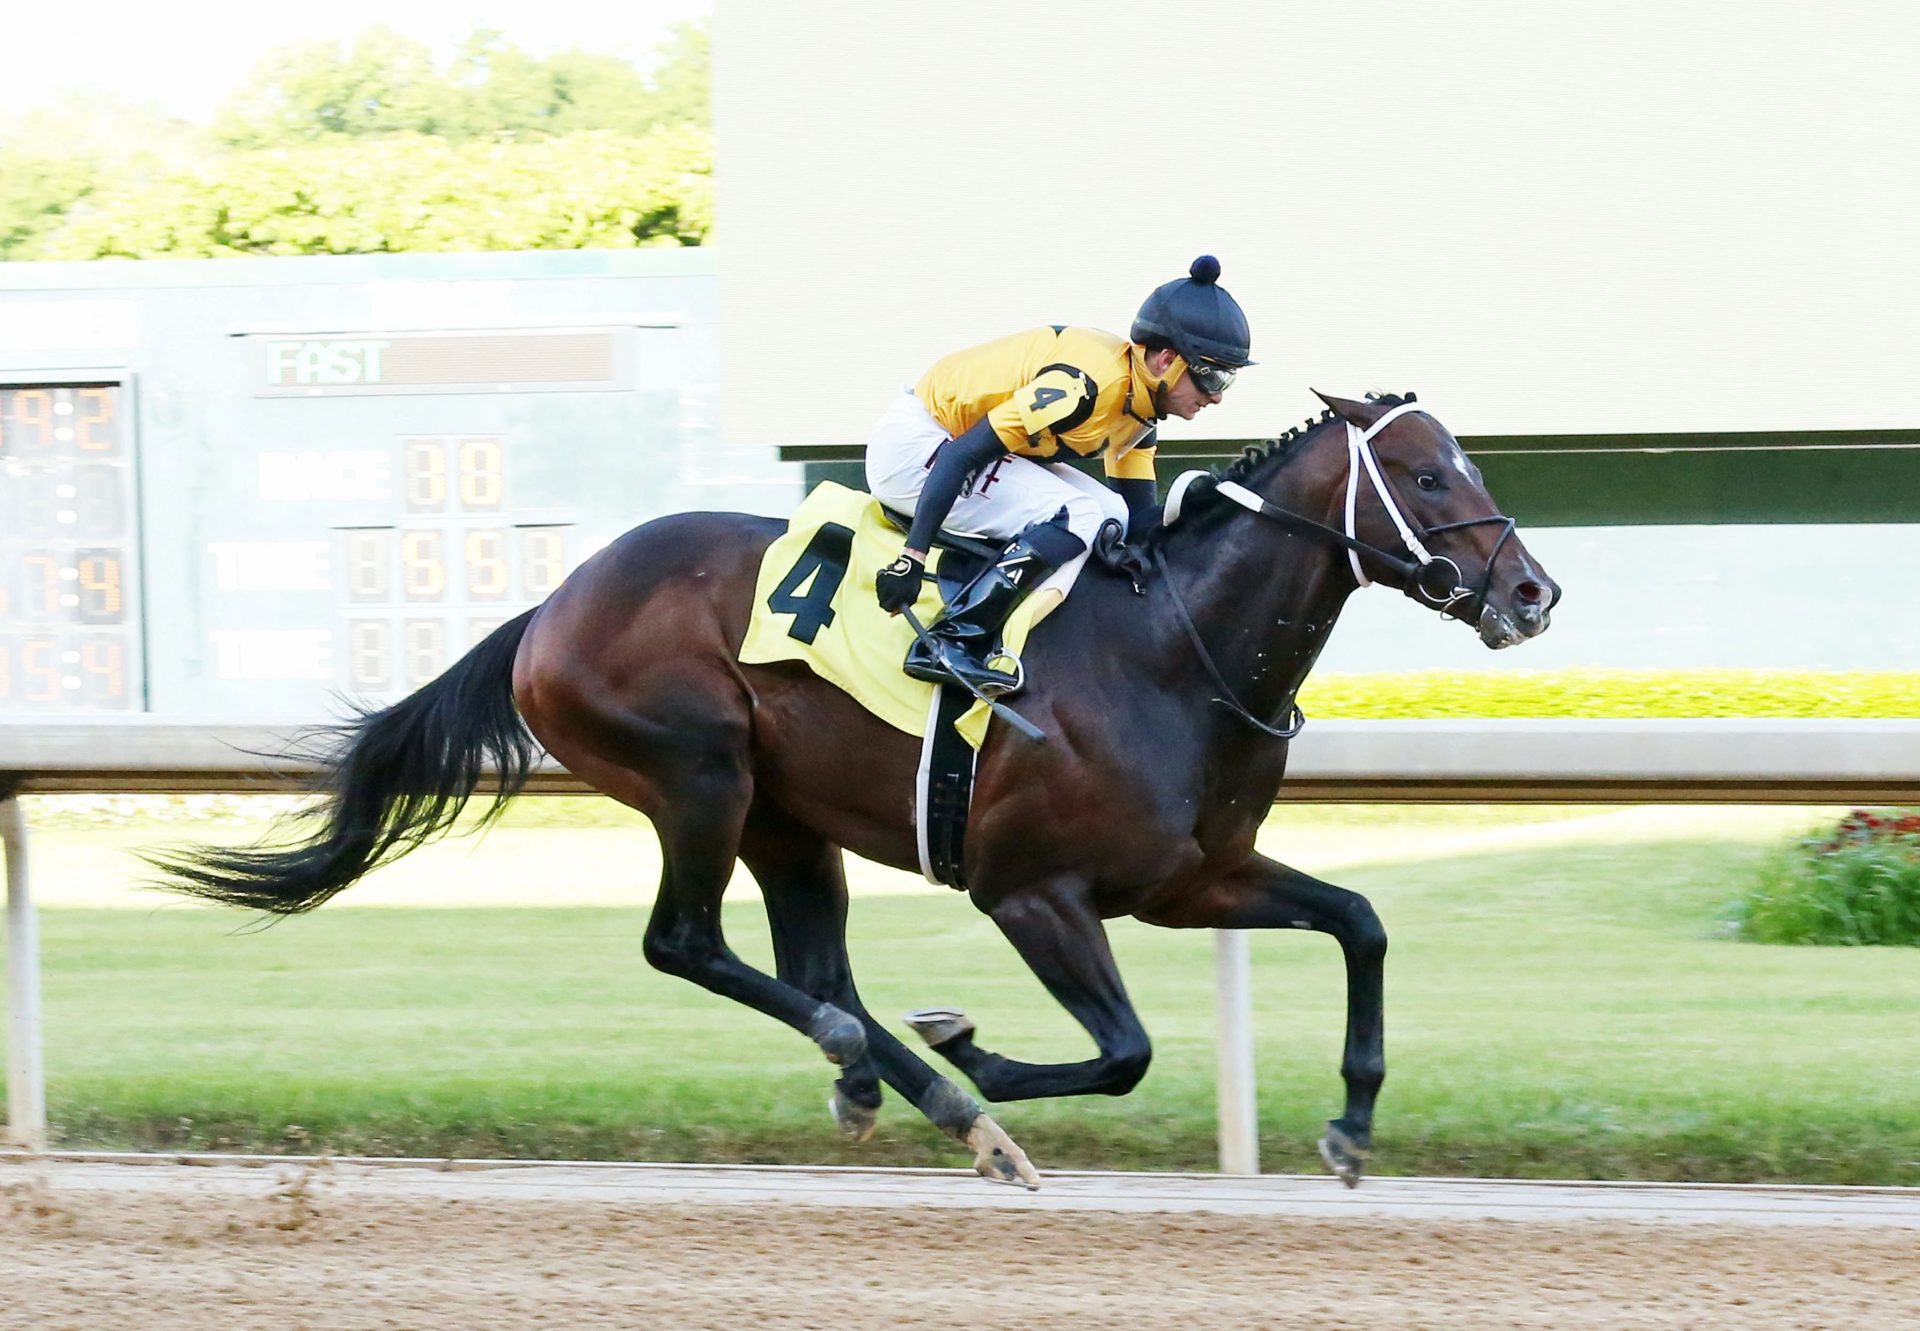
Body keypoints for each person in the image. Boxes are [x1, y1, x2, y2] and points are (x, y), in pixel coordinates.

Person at [866, 255, 1253, 696]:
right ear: (1166, 360)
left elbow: (1136, 518)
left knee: (1110, 514)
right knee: (1080, 513)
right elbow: (960, 457)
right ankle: (950, 639)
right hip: (917, 447)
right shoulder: (1081, 388)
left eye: (1228, 380)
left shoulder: (1140, 412)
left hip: (954, 446)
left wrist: (1207, 512)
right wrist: (911, 559)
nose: (1217, 398)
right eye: (1214, 376)